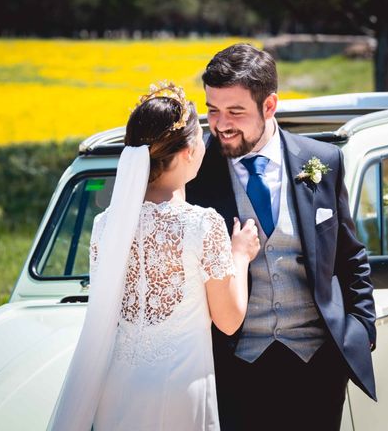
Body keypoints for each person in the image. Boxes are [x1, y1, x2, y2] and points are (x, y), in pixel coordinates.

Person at [48, 82, 260, 431]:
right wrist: (240, 255)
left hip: (117, 386)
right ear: (189, 150)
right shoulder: (202, 224)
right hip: (178, 389)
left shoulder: (105, 225)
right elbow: (229, 319)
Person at [187, 44, 377, 431]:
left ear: (269, 106)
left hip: (318, 366)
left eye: (235, 111)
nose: (220, 124)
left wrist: (362, 327)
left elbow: (350, 255)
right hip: (234, 367)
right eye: (212, 109)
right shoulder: (195, 173)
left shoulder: (324, 161)